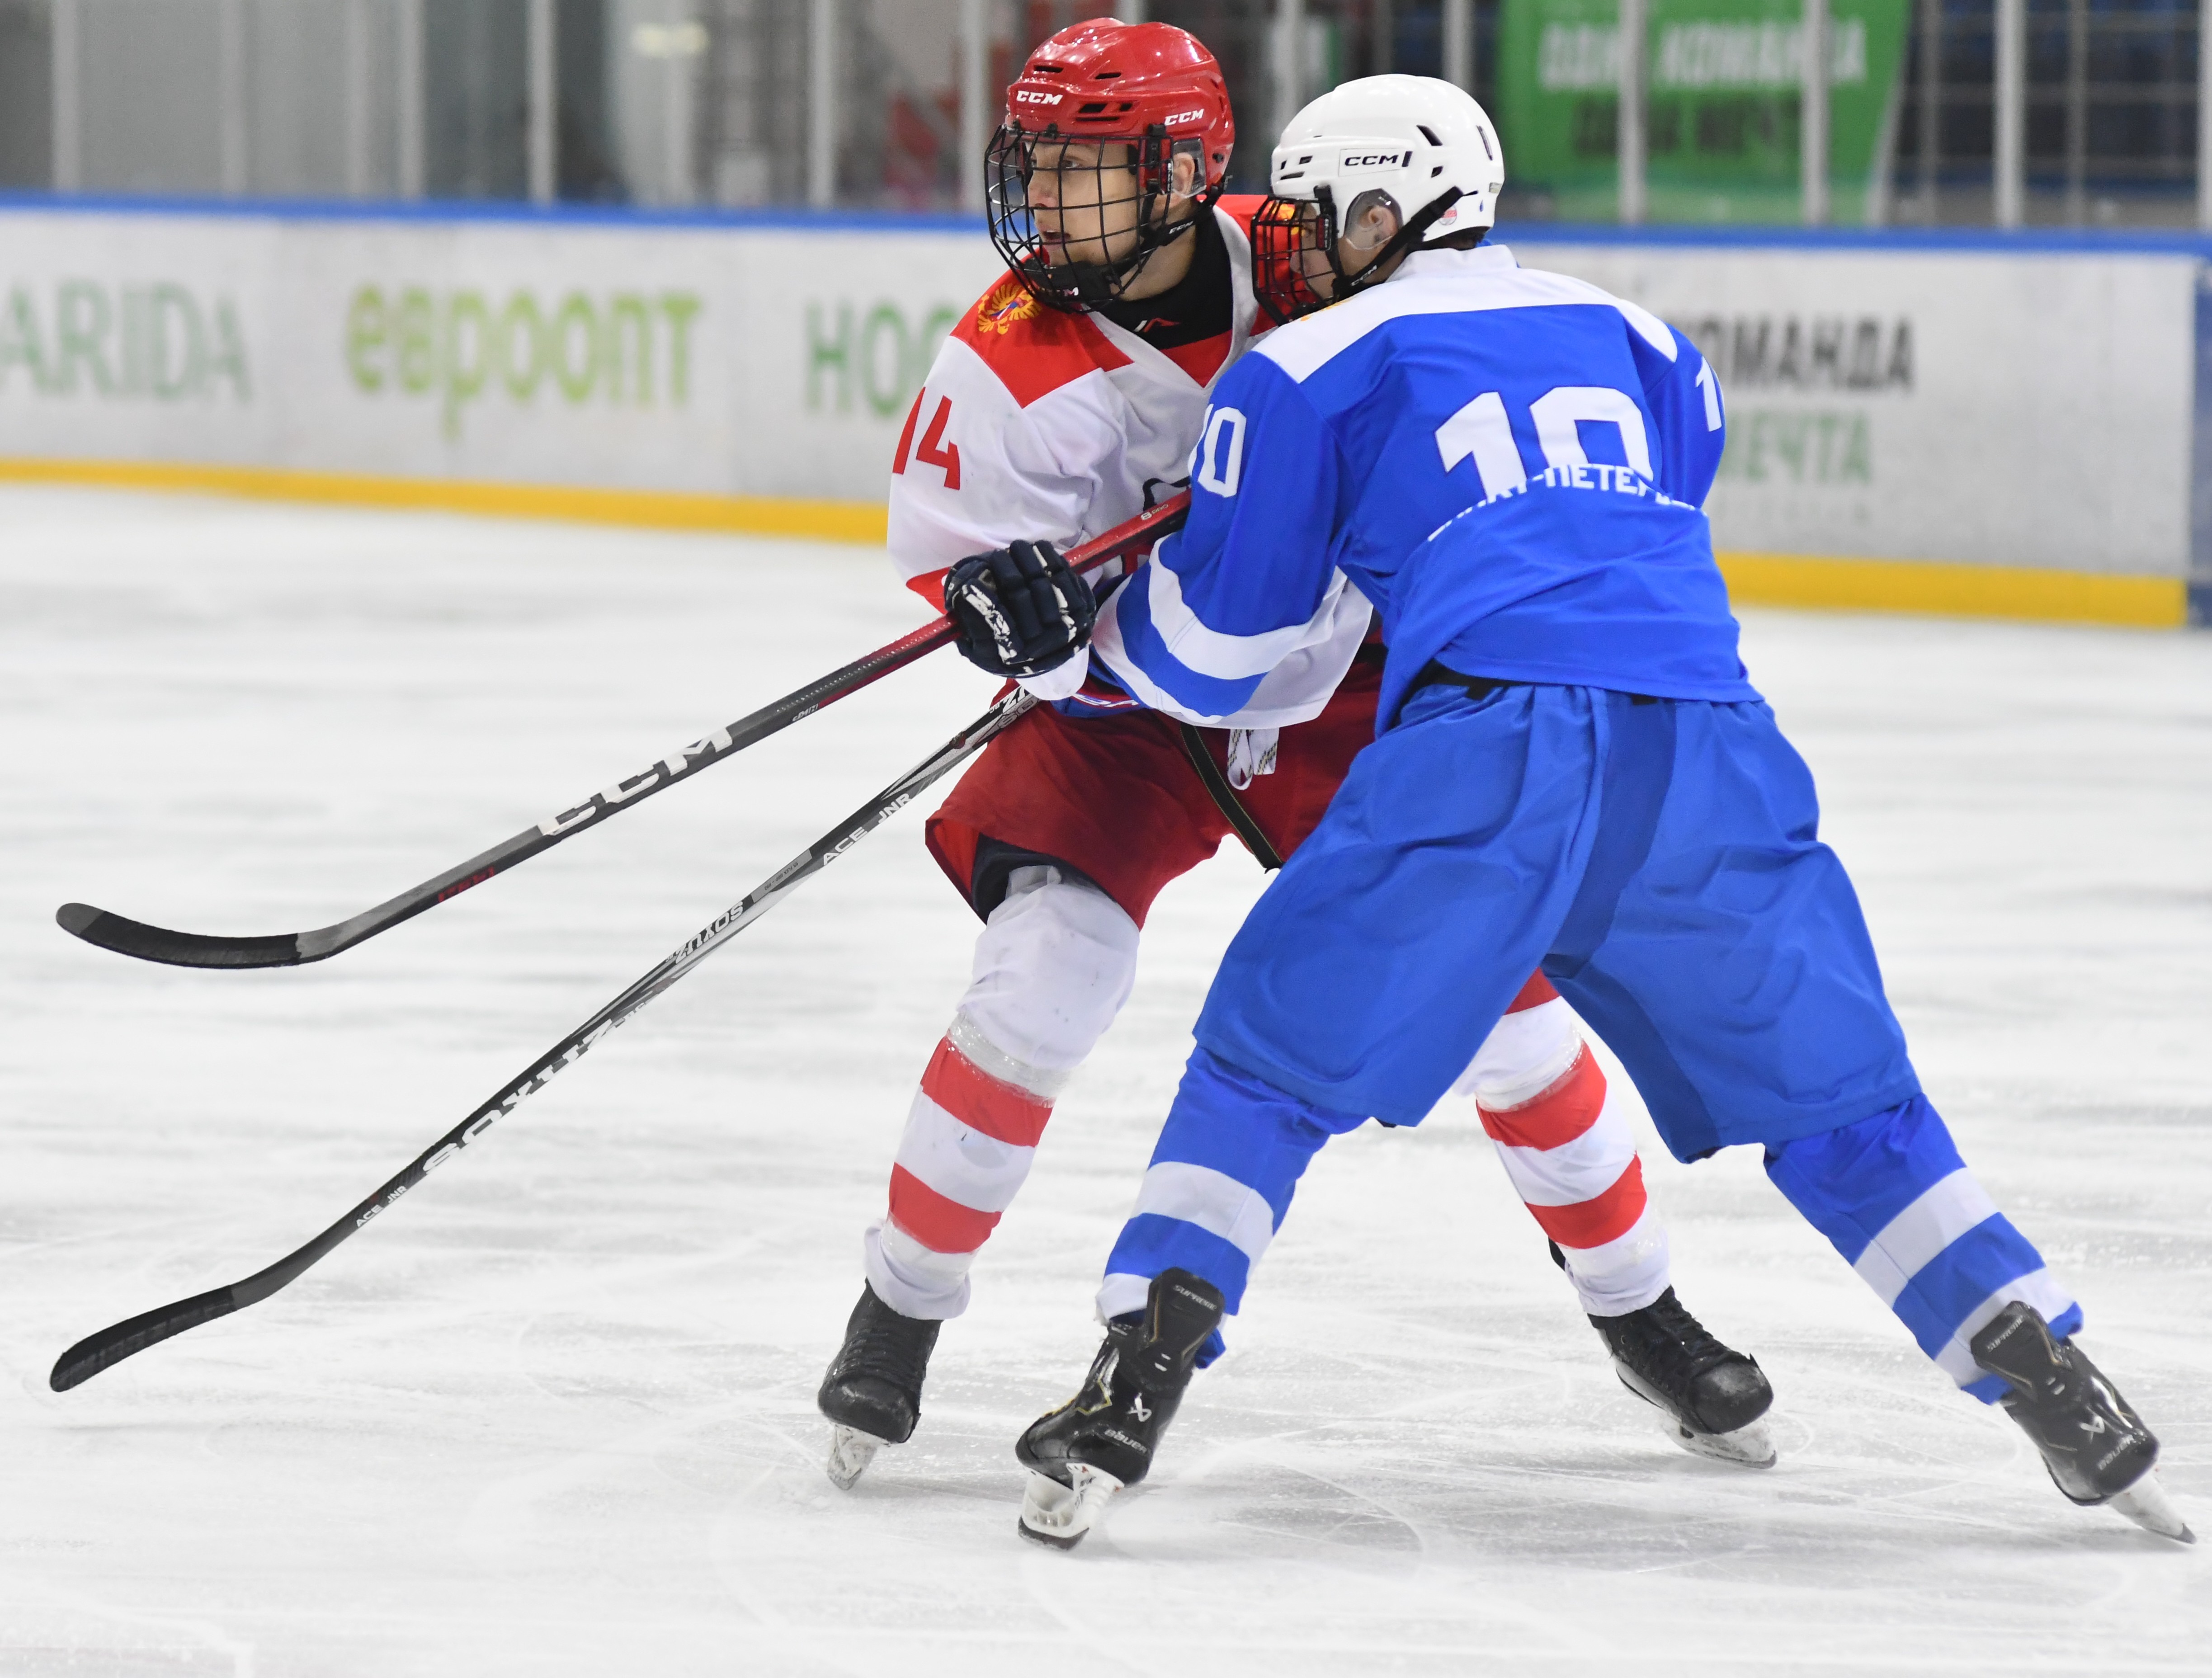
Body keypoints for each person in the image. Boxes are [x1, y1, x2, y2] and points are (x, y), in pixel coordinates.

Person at [997, 73, 2192, 1550]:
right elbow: (1623, 525)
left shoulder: (1297, 371)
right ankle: (2055, 1380)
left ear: (1386, 211)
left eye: (1312, 219)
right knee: (1849, 1104)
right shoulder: (1649, 339)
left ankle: (1136, 1383)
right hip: (1712, 740)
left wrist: (1065, 629)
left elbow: (1217, 658)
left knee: (1264, 1066)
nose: (1288, 251)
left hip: (1486, 750)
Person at [814, 19, 1773, 1492]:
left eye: (1094, 169)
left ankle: (1640, 1308)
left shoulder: (1320, 246)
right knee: (1042, 983)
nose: (1051, 203)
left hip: (1340, 690)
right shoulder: (1003, 365)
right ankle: (900, 1312)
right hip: (1125, 711)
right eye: (1044, 165)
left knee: (1505, 1008)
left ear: (1194, 169)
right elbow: (968, 583)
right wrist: (1012, 611)